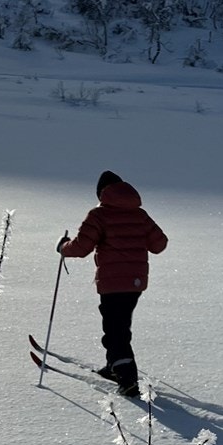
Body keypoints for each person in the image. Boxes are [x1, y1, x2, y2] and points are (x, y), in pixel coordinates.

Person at [57, 170, 168, 399]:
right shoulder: (139, 214)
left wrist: (63, 247)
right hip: (136, 282)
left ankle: (127, 379)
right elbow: (159, 244)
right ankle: (114, 366)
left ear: (102, 193)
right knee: (119, 324)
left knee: (115, 330)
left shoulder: (99, 215)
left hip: (112, 282)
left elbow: (81, 247)